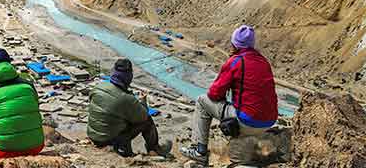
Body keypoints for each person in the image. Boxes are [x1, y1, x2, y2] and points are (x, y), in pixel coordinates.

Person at [180, 25, 278, 166]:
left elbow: (214, 93)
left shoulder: (236, 61)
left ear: (235, 44)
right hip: (269, 121)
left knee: (202, 101)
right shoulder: (263, 61)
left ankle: (199, 151)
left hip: (248, 120)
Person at [87, 58, 172, 158]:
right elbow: (143, 116)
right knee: (147, 121)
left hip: (93, 135)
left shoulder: (99, 87)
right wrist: (143, 101)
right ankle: (155, 150)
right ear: (128, 77)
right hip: (109, 139)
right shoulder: (127, 99)